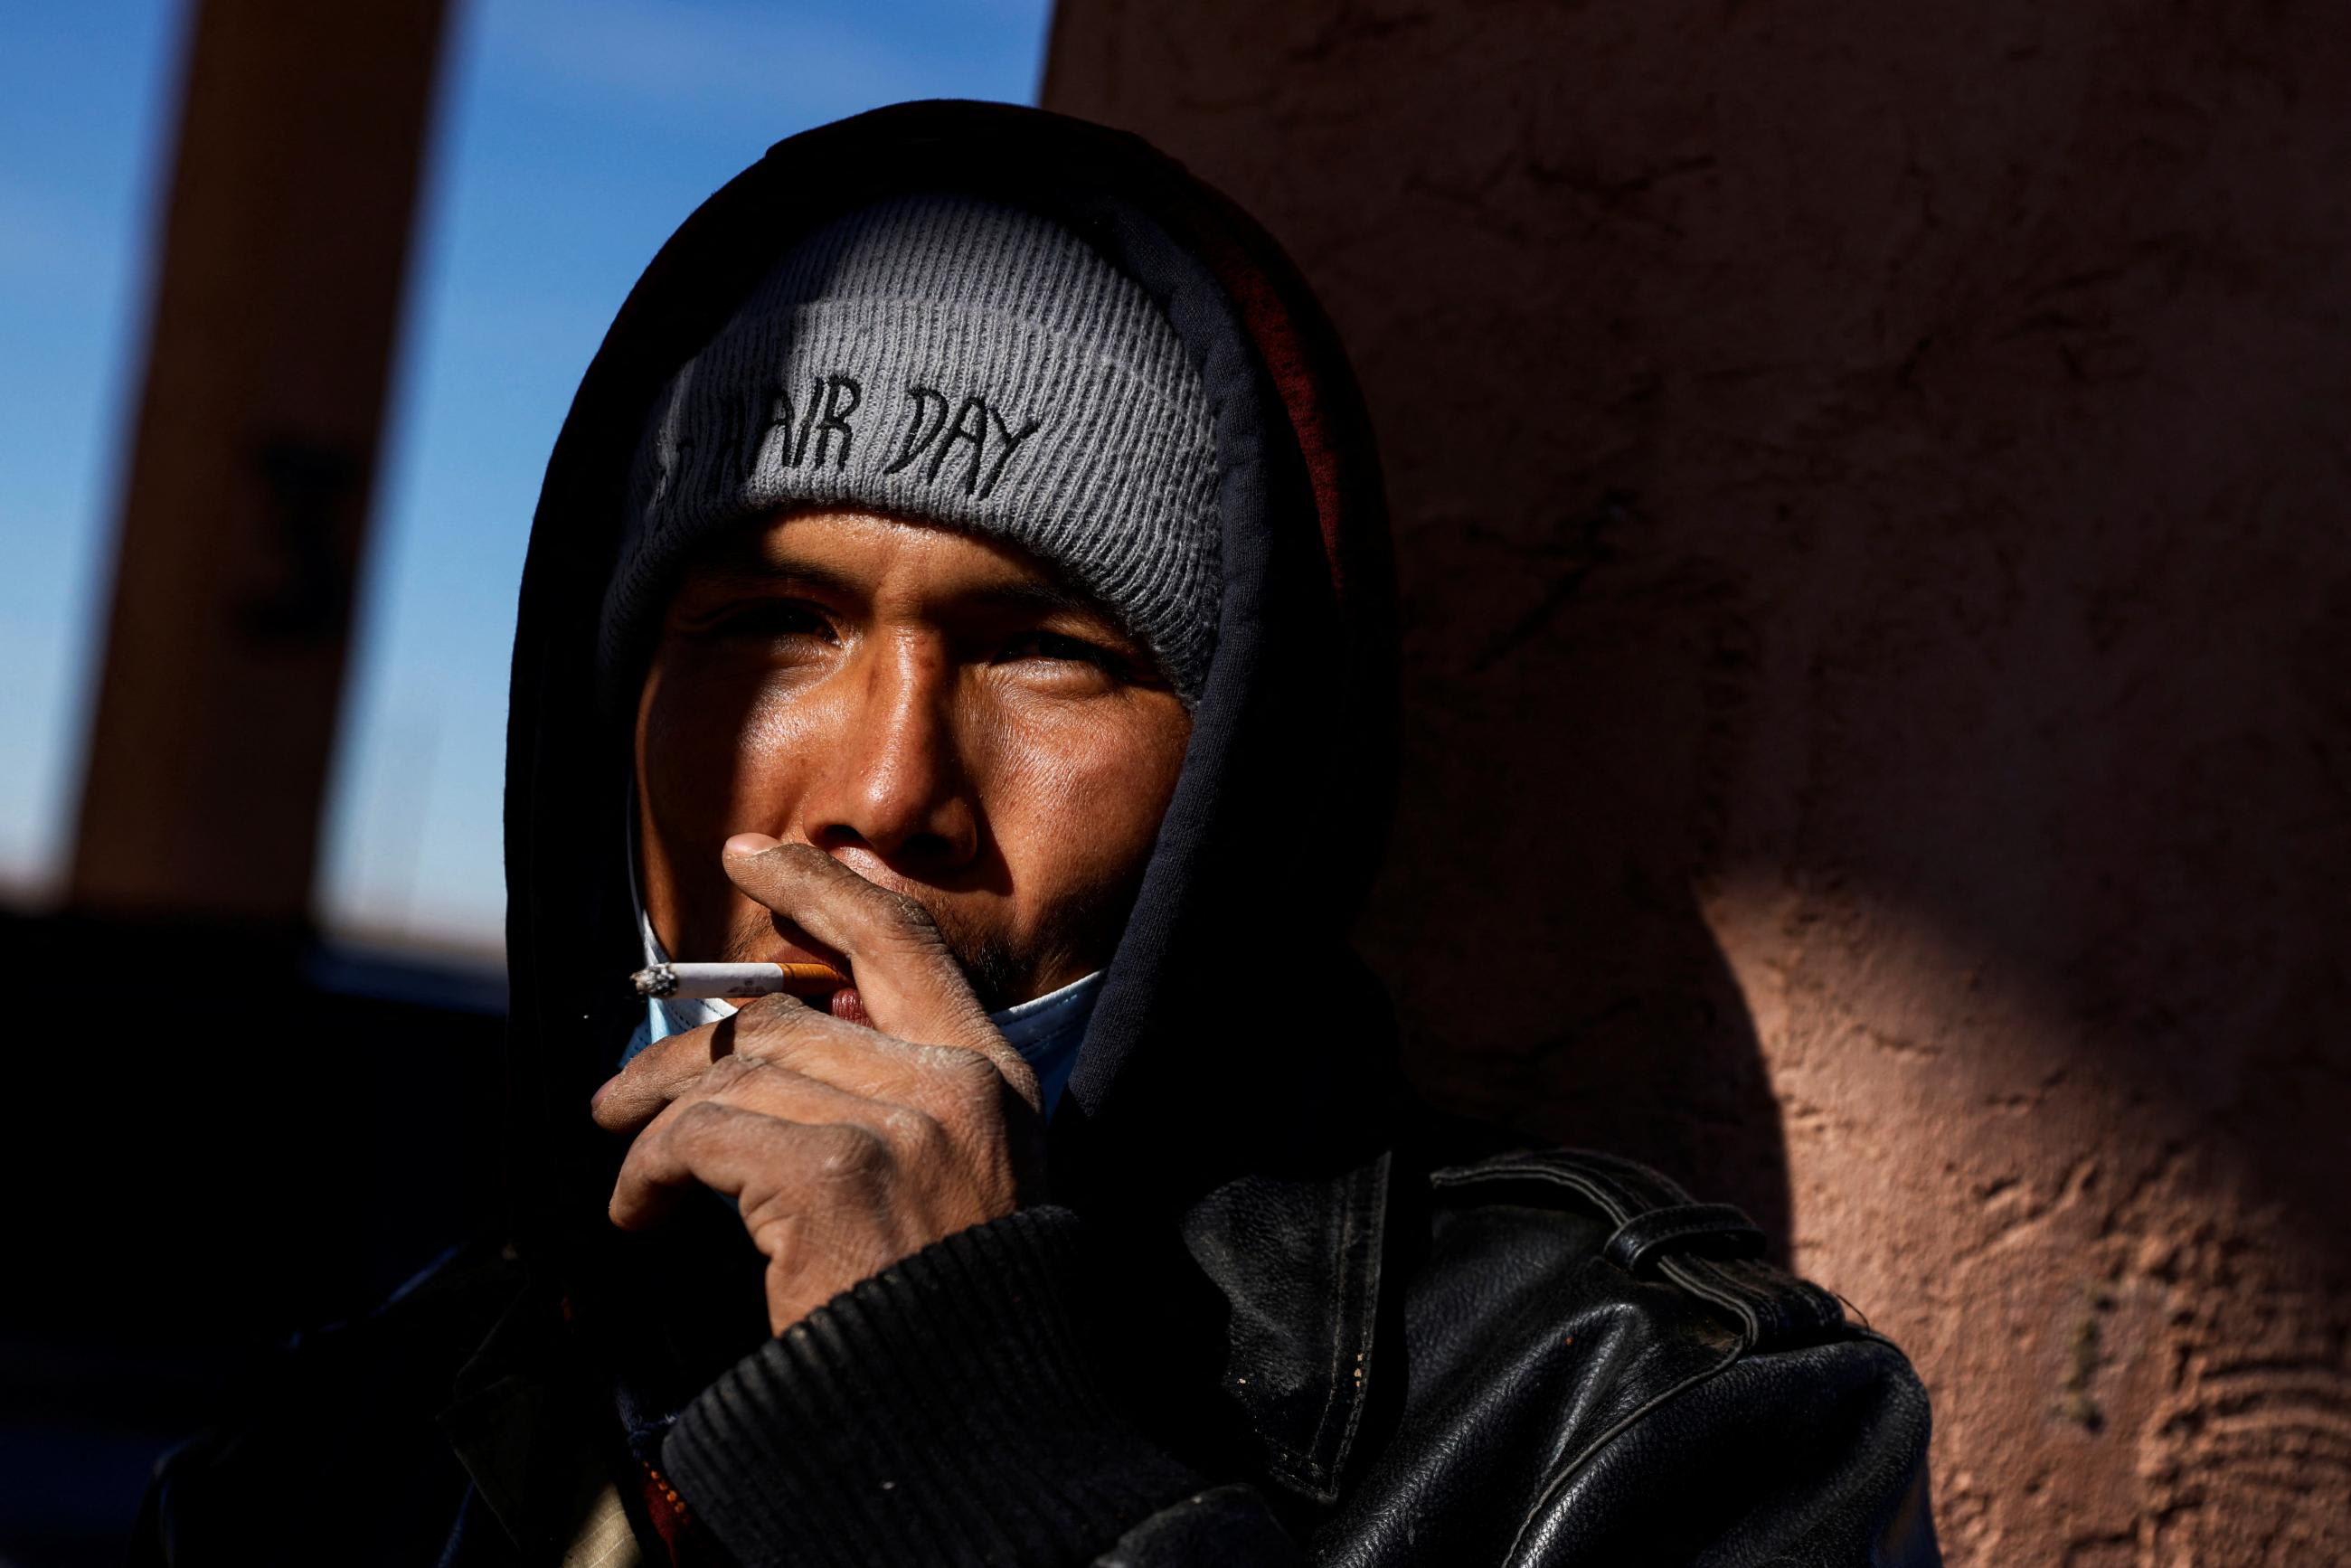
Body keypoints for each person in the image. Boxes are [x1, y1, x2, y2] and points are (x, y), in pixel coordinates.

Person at [135, 100, 1939, 1566]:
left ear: (1235, 770)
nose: (882, 793)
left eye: (1048, 656)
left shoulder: (1638, 1421)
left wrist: (965, 1445)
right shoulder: (355, 1440)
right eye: (770, 628)